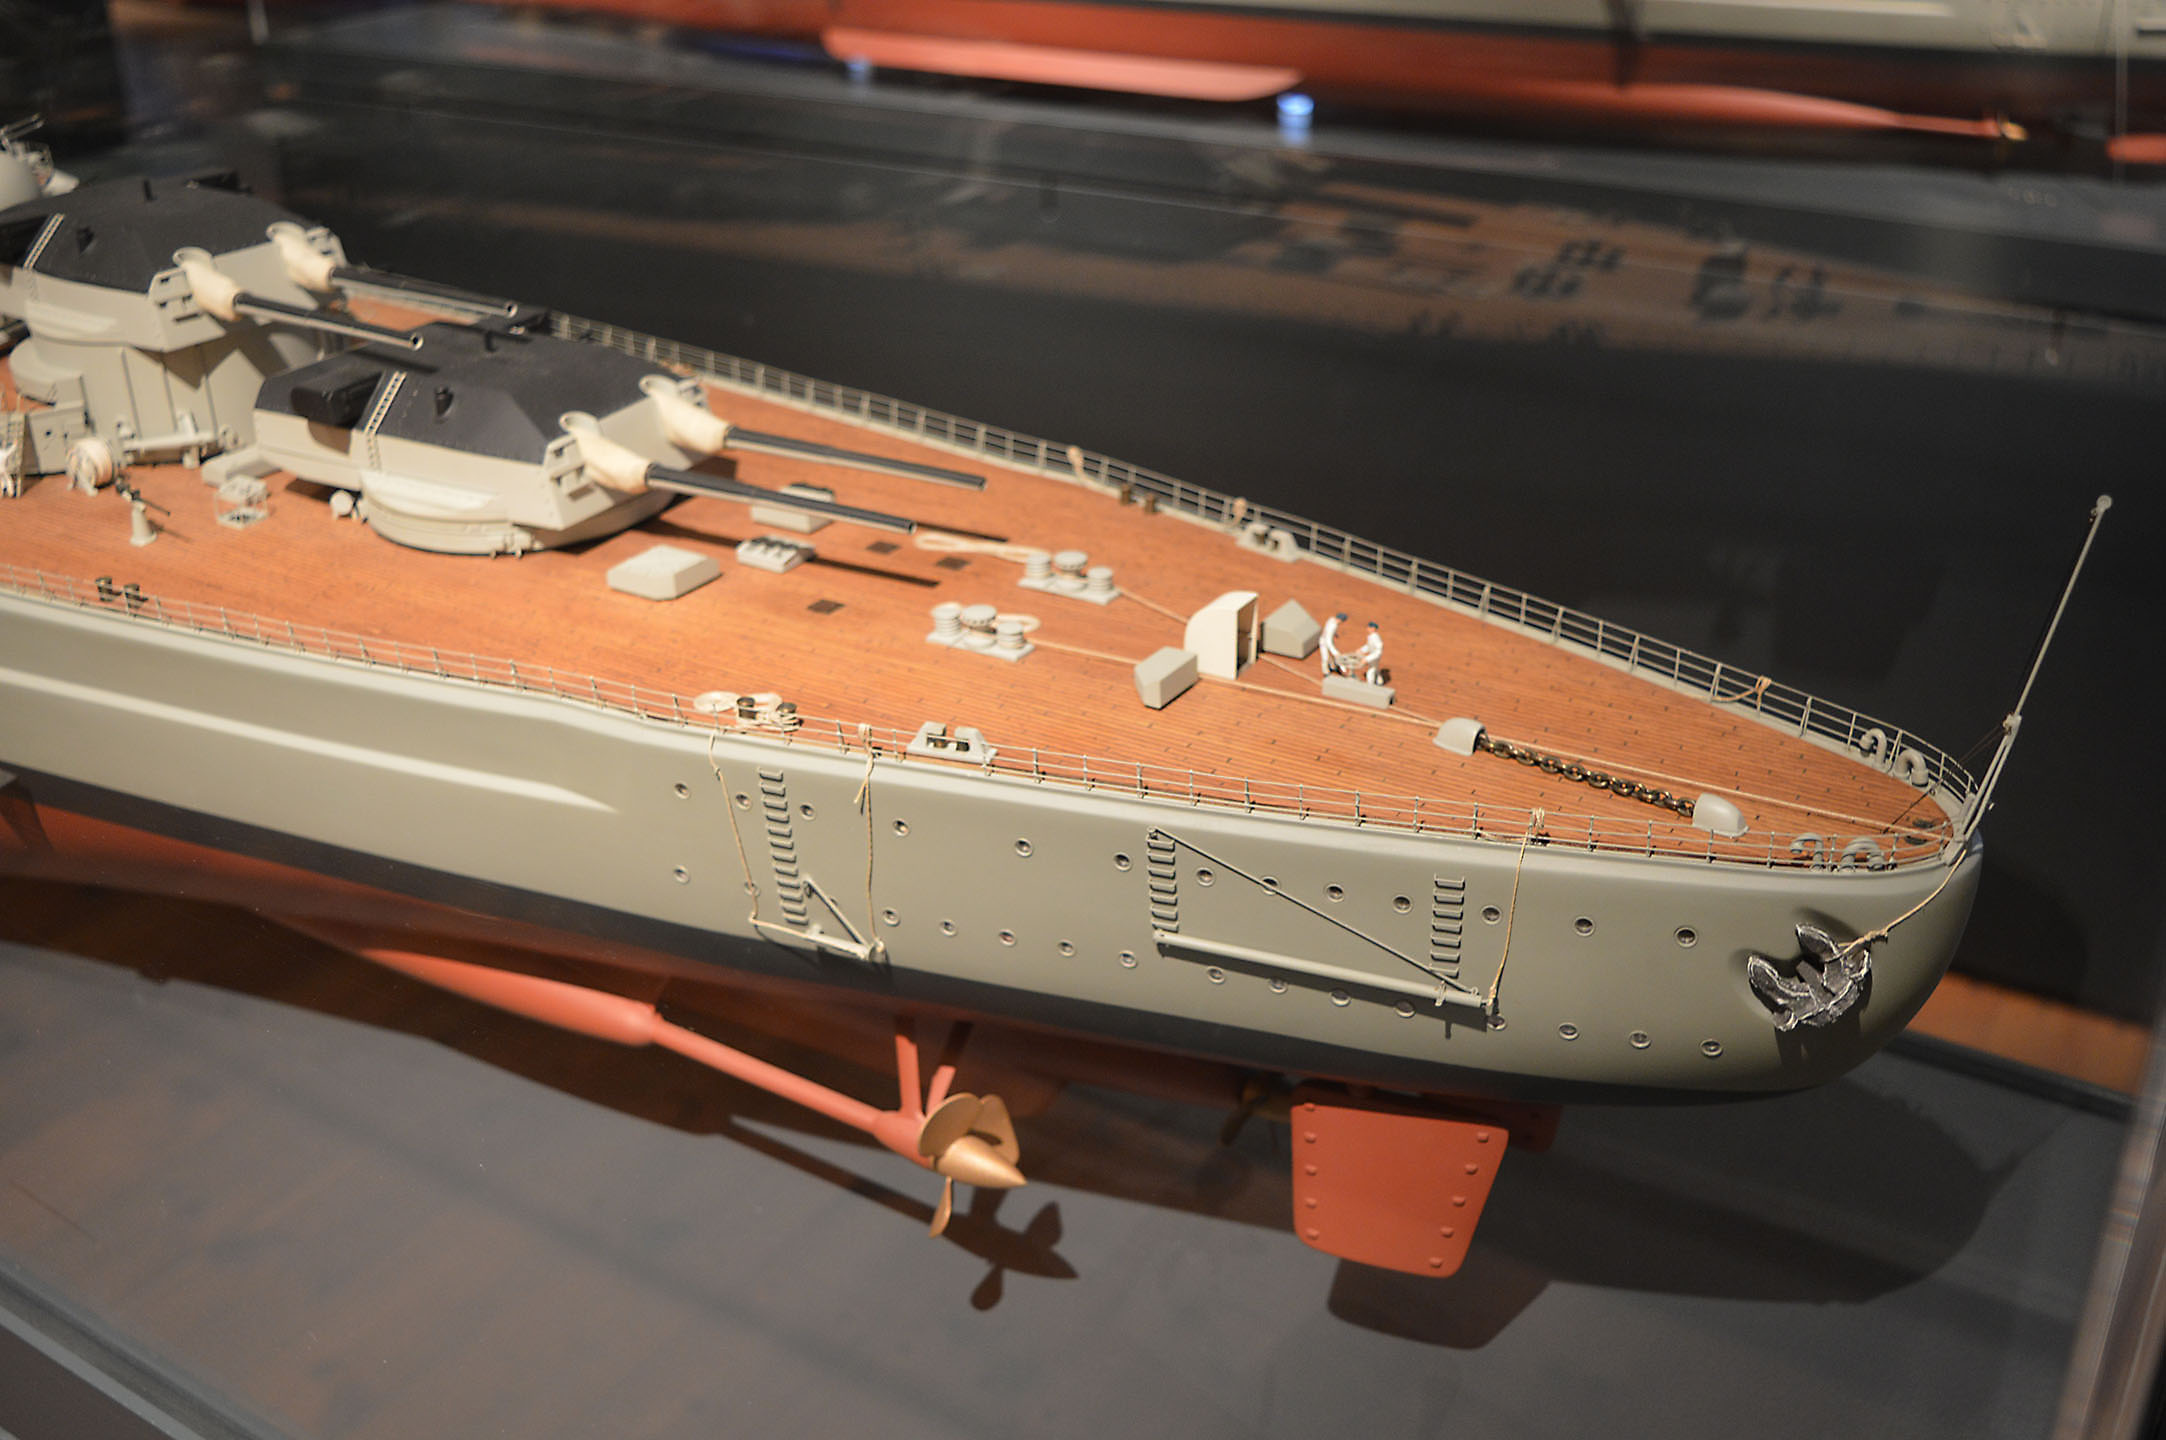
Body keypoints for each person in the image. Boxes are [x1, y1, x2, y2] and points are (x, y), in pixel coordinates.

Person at [1319, 611, 1349, 678]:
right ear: (1340, 620)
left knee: (1331, 657)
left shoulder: (1331, 619)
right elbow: (1328, 642)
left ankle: (1333, 667)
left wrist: (1335, 634)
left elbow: (1328, 629)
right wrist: (1334, 652)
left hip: (1327, 640)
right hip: (1324, 643)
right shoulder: (1333, 626)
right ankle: (1325, 672)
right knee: (1325, 658)